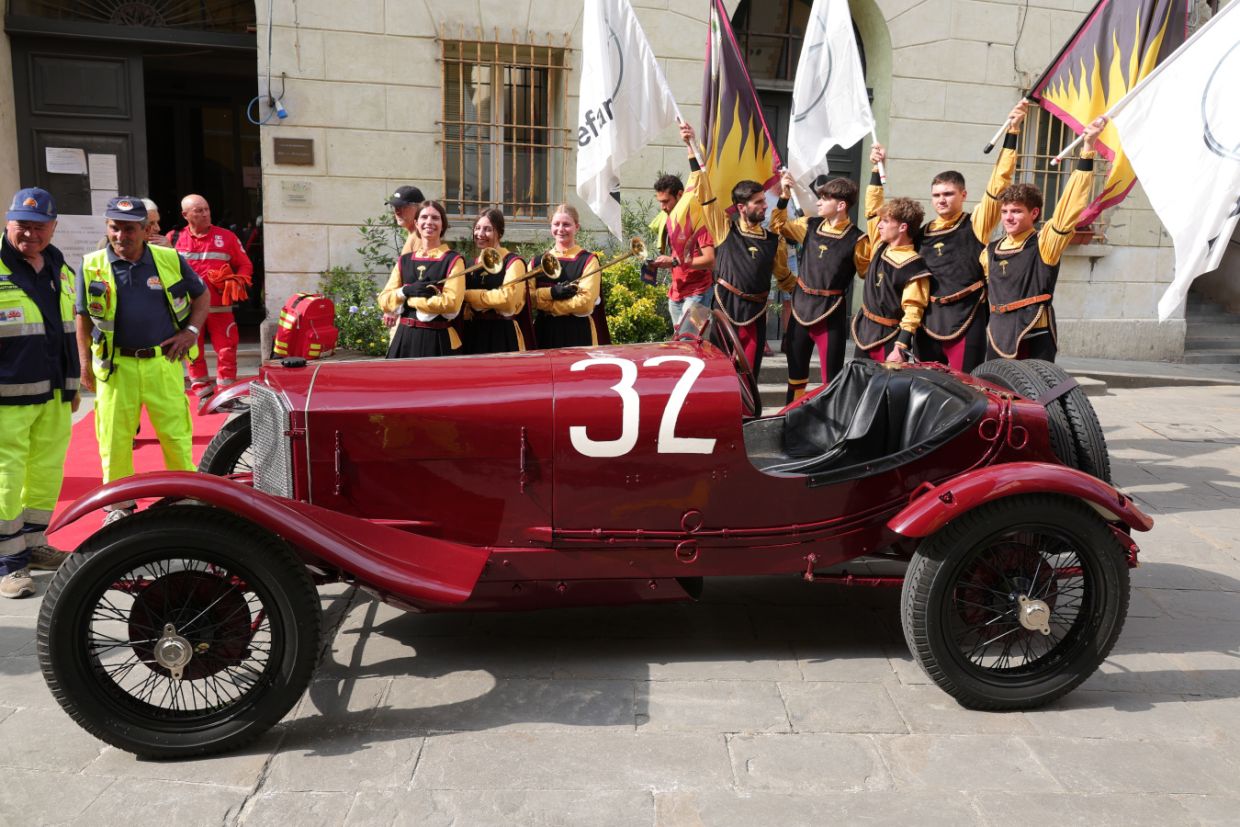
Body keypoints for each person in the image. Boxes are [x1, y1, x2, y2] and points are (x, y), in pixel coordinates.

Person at [77, 197, 208, 523]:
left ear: (145, 229)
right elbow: (82, 317)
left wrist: (190, 330)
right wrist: (82, 364)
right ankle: (119, 507)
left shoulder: (168, 259)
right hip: (115, 367)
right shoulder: (92, 264)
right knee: (114, 440)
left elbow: (202, 295)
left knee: (175, 434)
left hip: (161, 362)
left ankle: (184, 498)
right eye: (114, 228)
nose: (121, 236)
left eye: (129, 229)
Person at [869, 101, 1028, 372]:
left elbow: (998, 183)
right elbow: (877, 219)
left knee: (965, 390)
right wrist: (876, 169)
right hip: (927, 322)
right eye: (936, 195)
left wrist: (1012, 132)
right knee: (929, 390)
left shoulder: (976, 223)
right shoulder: (920, 233)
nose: (941, 200)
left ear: (963, 195)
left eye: (948, 194)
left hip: (966, 319)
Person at [0, 189, 79, 598]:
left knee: (45, 474)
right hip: (6, 397)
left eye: (38, 227)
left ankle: (32, 545)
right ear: (8, 222)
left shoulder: (58, 266)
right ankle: (7, 563)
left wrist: (72, 382)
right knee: (6, 480)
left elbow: (64, 330)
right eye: (22, 226)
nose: (29, 234)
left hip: (52, 392)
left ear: (53, 227)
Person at [984, 116, 1106, 362]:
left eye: (1016, 211)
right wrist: (1013, 130)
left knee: (1034, 398)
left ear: (1034, 213)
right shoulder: (990, 250)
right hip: (996, 332)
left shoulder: (1044, 244)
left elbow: (1069, 208)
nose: (1008, 217)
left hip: (1033, 330)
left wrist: (1088, 148)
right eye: (1005, 211)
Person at [683, 122, 793, 376]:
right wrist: (691, 148)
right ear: (742, 207)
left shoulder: (771, 239)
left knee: (749, 373)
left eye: (764, 201)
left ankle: (747, 417)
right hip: (726, 308)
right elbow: (706, 195)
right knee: (722, 371)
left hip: (756, 314)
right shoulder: (724, 231)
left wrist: (805, 292)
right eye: (758, 203)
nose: (764, 206)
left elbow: (785, 278)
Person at [770, 172, 873, 403]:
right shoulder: (809, 225)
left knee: (832, 380)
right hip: (800, 308)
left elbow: (867, 272)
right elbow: (777, 226)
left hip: (831, 313)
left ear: (841, 205)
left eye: (824, 198)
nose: (818, 202)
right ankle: (790, 422)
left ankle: (827, 429)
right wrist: (784, 196)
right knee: (795, 378)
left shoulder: (858, 240)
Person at [170, 194, 253, 401]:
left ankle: (228, 394)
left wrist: (239, 280)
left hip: (220, 308)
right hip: (188, 308)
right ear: (185, 215)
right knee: (193, 351)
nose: (205, 213)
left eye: (206, 209)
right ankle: (203, 393)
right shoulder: (173, 238)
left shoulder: (227, 237)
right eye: (199, 211)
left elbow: (245, 264)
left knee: (227, 349)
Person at [378, 200, 465, 358]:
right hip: (404, 337)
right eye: (424, 217)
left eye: (435, 218)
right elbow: (383, 299)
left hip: (437, 338)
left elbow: (451, 304)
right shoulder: (405, 260)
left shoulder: (453, 260)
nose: (429, 222)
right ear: (417, 223)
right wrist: (404, 291)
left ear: (443, 224)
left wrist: (409, 300)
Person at [851, 194, 931, 363]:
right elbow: (872, 207)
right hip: (864, 331)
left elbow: (913, 311)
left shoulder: (914, 267)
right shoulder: (880, 246)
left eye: (886, 221)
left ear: (902, 227)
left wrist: (900, 347)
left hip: (889, 339)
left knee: (883, 389)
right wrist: (876, 170)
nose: (879, 225)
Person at [531, 204, 610, 348]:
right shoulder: (537, 262)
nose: (560, 229)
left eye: (566, 224)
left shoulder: (588, 260)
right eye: (556, 224)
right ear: (551, 226)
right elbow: (527, 298)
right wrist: (551, 293)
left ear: (577, 227)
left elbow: (585, 304)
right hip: (543, 331)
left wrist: (548, 305)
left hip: (577, 331)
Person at [462, 208, 532, 353]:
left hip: (503, 334)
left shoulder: (513, 262)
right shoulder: (471, 264)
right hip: (474, 333)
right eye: (477, 228)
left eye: (487, 229)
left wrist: (468, 295)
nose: (480, 234)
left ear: (499, 233)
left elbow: (508, 300)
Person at [649, 172, 715, 327]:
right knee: (682, 345)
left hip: (698, 292)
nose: (663, 207)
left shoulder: (698, 219)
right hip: (676, 293)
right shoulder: (670, 219)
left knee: (690, 343)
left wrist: (673, 262)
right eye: (660, 202)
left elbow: (710, 260)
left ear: (680, 195)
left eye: (666, 201)